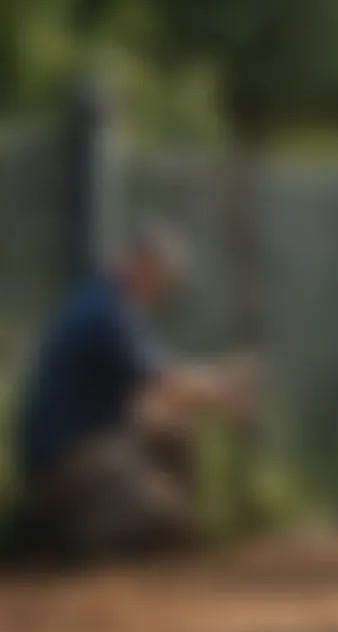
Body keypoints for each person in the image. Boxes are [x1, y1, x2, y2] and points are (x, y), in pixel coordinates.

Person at [15, 223, 261, 562]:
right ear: (139, 263)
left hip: (95, 441)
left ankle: (131, 522)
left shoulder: (111, 302)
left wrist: (216, 393)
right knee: (162, 519)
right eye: (161, 275)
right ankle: (59, 534)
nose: (164, 287)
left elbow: (154, 396)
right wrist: (224, 387)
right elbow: (165, 381)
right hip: (69, 455)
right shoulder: (104, 310)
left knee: (173, 430)